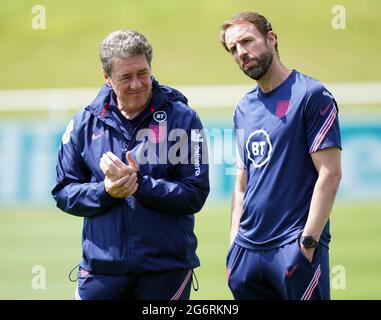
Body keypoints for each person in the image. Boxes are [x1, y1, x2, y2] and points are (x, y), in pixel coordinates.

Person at [51, 29, 209, 300]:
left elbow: (194, 194)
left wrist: (139, 185)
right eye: (126, 77)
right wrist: (106, 191)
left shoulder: (183, 120)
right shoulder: (84, 123)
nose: (137, 84)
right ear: (107, 78)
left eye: (143, 73)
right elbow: (63, 191)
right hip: (101, 270)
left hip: (166, 270)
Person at [220, 12, 342, 300]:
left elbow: (331, 173)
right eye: (233, 49)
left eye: (247, 41)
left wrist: (308, 242)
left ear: (271, 39)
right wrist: (234, 243)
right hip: (247, 254)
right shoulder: (243, 108)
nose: (241, 53)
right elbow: (241, 182)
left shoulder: (311, 95)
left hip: (293, 248)